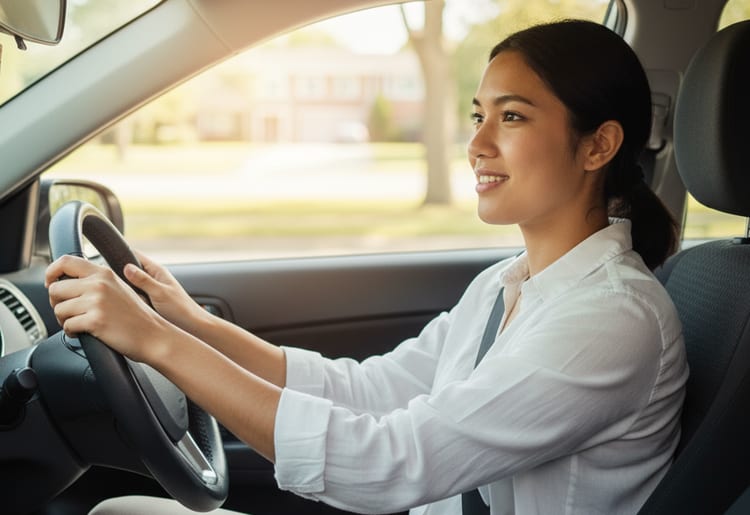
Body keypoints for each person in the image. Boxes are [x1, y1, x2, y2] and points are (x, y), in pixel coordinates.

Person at [46, 19, 688, 515]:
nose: (476, 143)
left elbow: (388, 460)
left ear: (598, 144)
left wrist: (156, 342)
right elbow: (371, 392)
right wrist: (191, 325)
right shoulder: (507, 284)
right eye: (477, 115)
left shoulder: (610, 320)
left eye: (512, 116)